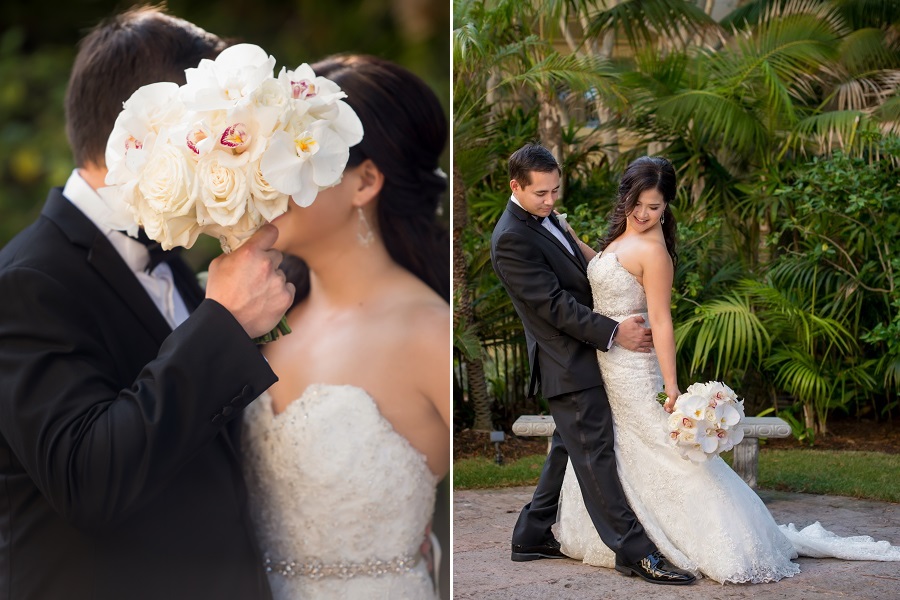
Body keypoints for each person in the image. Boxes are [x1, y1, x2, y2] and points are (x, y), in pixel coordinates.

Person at [0, 7, 293, 599]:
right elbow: (87, 479)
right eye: (209, 128)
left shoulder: (169, 256)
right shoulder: (24, 282)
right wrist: (224, 324)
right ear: (148, 128)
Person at [556, 155, 900, 583]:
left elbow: (661, 321)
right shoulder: (621, 238)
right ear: (624, 196)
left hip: (633, 369)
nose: (643, 214)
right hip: (606, 361)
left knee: (662, 451)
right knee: (620, 449)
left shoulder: (655, 252)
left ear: (667, 207)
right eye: (636, 203)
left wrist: (671, 386)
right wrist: (573, 238)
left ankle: (715, 537)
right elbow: (606, 271)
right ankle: (624, 533)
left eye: (654, 207)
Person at [240, 54, 451, 599]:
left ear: (366, 181)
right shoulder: (257, 320)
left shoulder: (430, 333)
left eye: (293, 154)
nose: (267, 178)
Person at [489, 143, 695, 585]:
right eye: (541, 193)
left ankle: (530, 535)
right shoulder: (511, 237)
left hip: (594, 358)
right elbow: (554, 305)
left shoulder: (547, 219)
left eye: (555, 190)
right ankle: (635, 552)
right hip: (567, 361)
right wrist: (614, 331)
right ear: (515, 186)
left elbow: (589, 271)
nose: (550, 201)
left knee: (569, 446)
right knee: (595, 455)